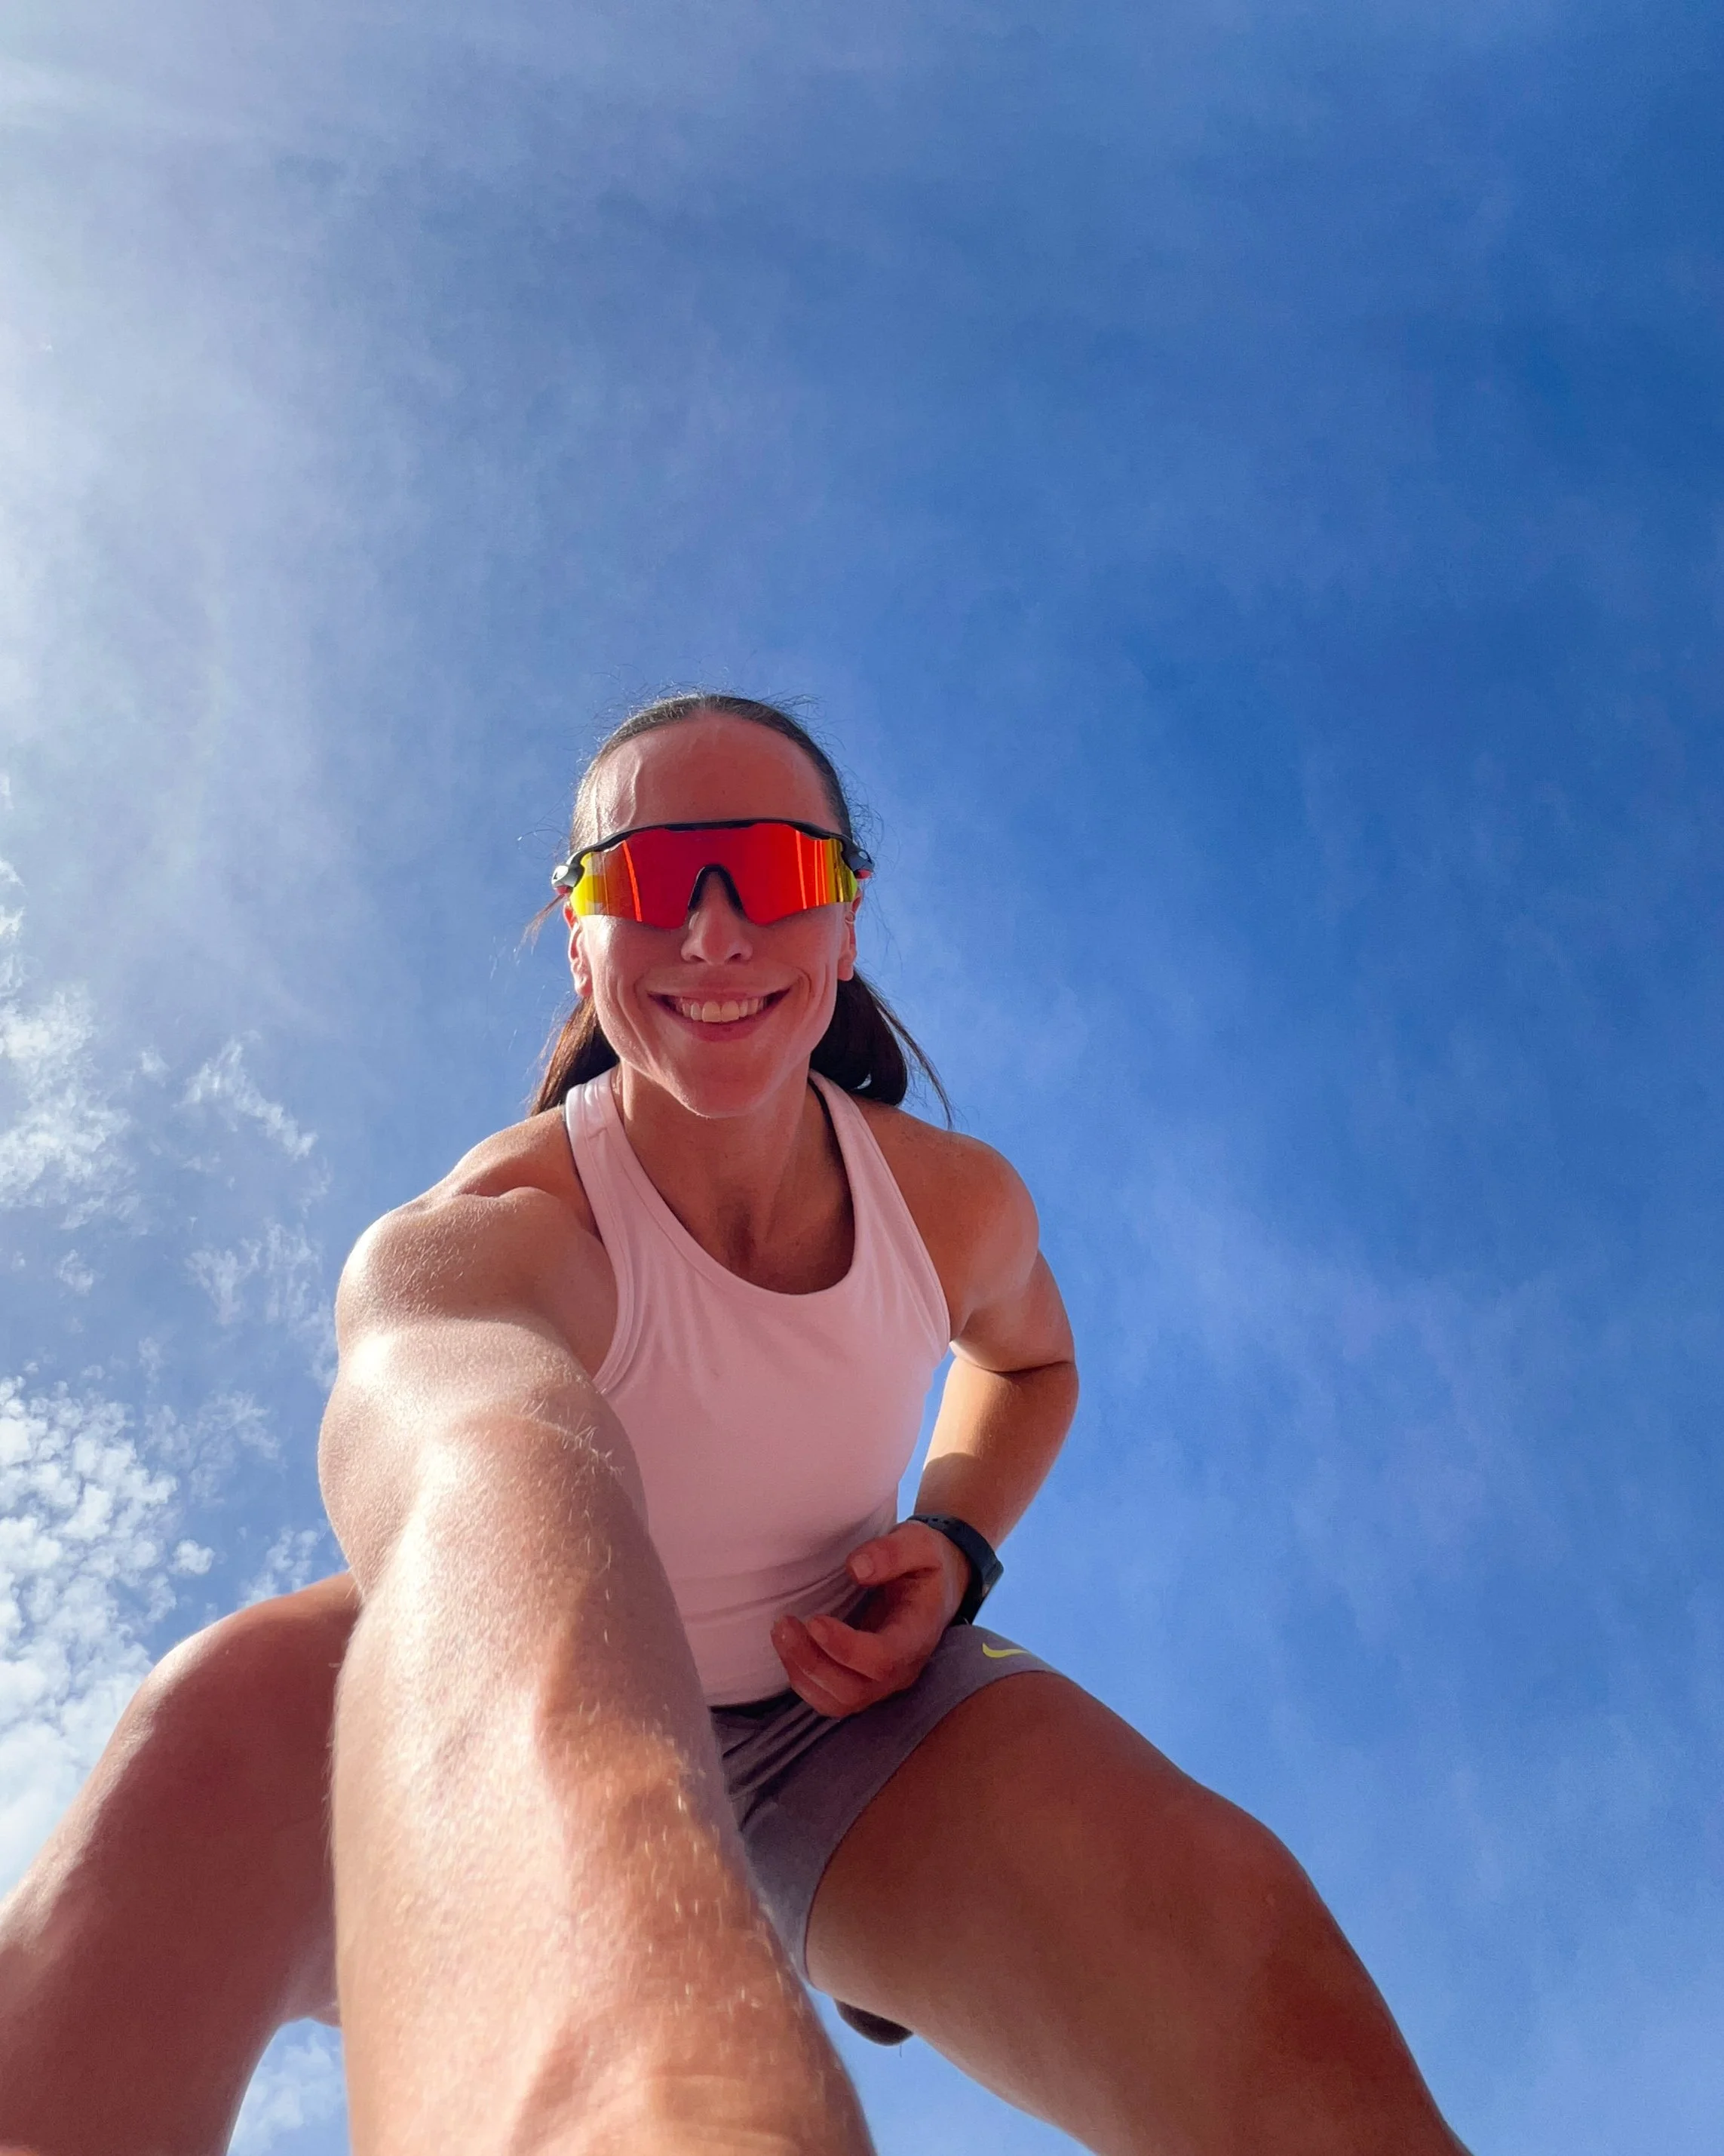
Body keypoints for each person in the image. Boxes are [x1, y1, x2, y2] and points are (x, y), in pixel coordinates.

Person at [0, 695, 1469, 2156]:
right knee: (200, 1743)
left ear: (846, 920)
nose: (709, 931)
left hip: (839, 1716)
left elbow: (1033, 1367)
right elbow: (480, 1483)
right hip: (481, 1660)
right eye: (645, 880)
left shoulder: (956, 1207)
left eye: (768, 871)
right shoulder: (494, 1233)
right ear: (580, 937)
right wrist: (643, 2095)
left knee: (1223, 1924)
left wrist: (954, 1541)